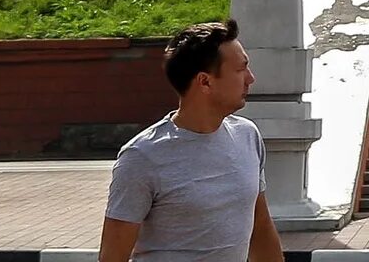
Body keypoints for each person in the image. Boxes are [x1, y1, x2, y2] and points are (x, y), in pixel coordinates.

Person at [100, 19, 280, 262]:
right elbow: (113, 257)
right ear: (205, 81)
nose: (251, 78)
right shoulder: (142, 156)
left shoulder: (247, 136)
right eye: (241, 69)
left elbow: (260, 226)